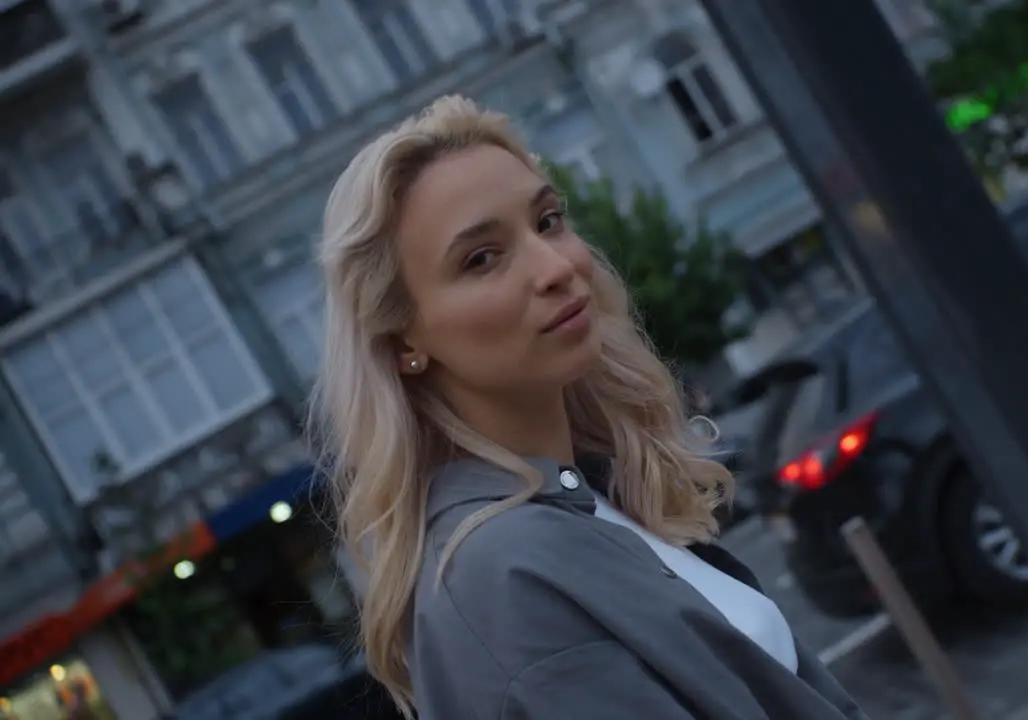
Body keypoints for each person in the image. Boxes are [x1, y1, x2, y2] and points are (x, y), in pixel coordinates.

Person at [311, 95, 870, 719]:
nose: (556, 266)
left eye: (548, 221)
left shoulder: (586, 498)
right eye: (481, 258)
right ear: (404, 342)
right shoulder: (500, 579)